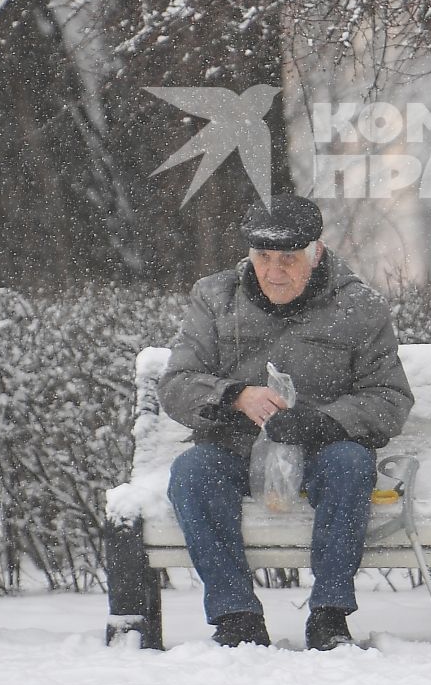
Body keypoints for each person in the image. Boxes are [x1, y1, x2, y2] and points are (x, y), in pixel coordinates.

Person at [160, 193, 415, 649]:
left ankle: (330, 615)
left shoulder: (359, 306)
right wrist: (234, 396)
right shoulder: (214, 298)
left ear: (315, 253)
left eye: (289, 259)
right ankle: (236, 616)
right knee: (191, 473)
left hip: (323, 450)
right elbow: (178, 383)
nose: (274, 271)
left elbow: (389, 399)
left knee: (351, 465)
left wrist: (324, 421)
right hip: (234, 449)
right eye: (263, 257)